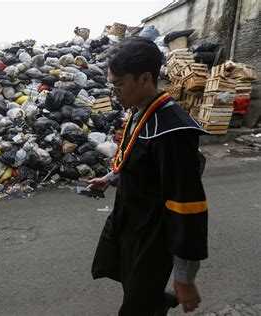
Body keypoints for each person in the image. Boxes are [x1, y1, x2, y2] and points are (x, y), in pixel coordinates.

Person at [86, 37, 208, 315]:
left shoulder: (174, 132)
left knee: (134, 307)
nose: (114, 93)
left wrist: (185, 278)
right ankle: (155, 299)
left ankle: (153, 299)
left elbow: (187, 207)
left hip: (155, 236)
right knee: (123, 273)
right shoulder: (140, 112)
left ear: (144, 79)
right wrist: (111, 178)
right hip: (131, 220)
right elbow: (138, 158)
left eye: (118, 85)